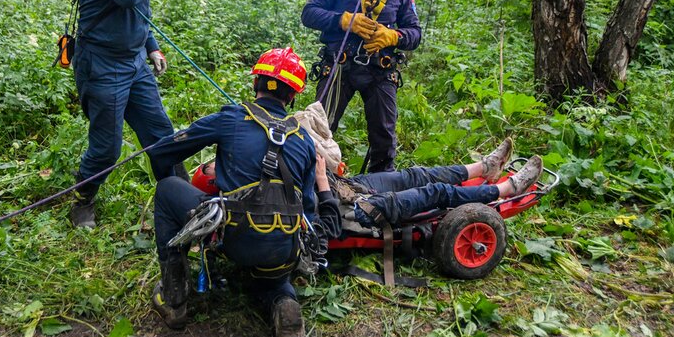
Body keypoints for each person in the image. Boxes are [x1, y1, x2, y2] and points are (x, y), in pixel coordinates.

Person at [146, 47, 336, 337]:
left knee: (166, 190)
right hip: (283, 251)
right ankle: (282, 300)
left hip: (234, 240)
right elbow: (308, 209)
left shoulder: (231, 118)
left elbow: (163, 150)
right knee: (273, 281)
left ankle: (174, 299)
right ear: (293, 95)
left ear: (257, 81)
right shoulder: (306, 141)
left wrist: (184, 197)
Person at [71, 0, 182, 229]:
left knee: (162, 134)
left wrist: (151, 46)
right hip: (102, 65)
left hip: (133, 62)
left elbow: (139, 9)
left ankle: (183, 199)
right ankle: (82, 200)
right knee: (107, 149)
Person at [191, 138, 544, 232]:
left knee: (413, 174)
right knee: (434, 194)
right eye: (211, 168)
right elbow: (320, 224)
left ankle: (483, 166)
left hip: (348, 188)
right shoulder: (255, 200)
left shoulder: (251, 169)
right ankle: (505, 190)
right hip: (353, 213)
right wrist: (319, 181)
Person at [301, 0, 421, 173]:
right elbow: (309, 14)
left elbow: (415, 34)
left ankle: (380, 193)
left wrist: (393, 36)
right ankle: (311, 184)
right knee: (318, 129)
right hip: (338, 66)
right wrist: (342, 20)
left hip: (380, 71)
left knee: (384, 138)